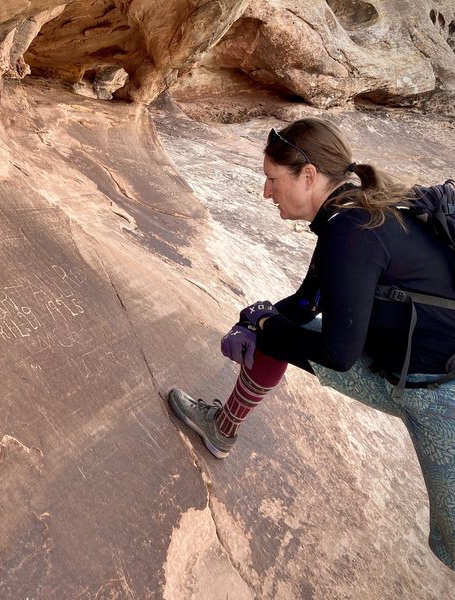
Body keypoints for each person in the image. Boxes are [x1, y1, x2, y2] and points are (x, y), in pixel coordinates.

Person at [168, 118, 455, 570]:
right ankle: (222, 428)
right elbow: (305, 303)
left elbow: (339, 356)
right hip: (398, 368)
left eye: (271, 179)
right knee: (272, 327)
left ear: (308, 176)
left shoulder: (350, 231)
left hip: (440, 393)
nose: (266, 192)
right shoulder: (348, 214)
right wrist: (255, 319)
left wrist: (265, 327)